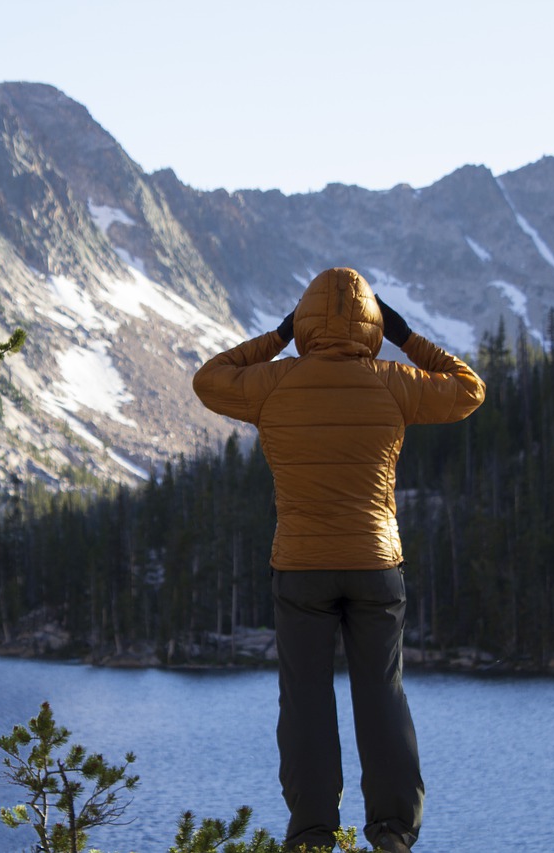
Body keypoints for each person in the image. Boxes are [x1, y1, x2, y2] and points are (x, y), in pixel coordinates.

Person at [191, 267, 485, 852]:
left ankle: (311, 835)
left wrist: (275, 339)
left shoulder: (275, 383)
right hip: (376, 564)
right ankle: (393, 832)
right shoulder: (393, 380)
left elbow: (210, 379)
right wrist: (406, 338)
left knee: (305, 700)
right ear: (373, 325)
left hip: (300, 566)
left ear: (303, 323)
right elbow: (468, 387)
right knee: (382, 693)